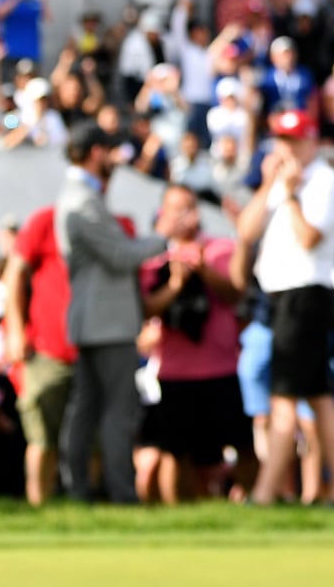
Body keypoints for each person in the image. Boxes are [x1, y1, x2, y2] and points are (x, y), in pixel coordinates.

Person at [239, 109, 334, 505]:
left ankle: (267, 492)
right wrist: (272, 183)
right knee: (317, 394)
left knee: (285, 397)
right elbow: (246, 231)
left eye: (293, 139)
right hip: (284, 296)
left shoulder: (322, 181)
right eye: (281, 139)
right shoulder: (283, 180)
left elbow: (309, 238)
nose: (286, 147)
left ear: (311, 141)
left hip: (304, 293)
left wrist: (287, 194)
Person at [57, 121, 167, 504]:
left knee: (87, 409)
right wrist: (164, 236)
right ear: (95, 153)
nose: (116, 159)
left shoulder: (84, 196)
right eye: (110, 151)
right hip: (106, 324)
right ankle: (121, 494)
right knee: (116, 411)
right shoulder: (82, 200)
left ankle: (81, 492)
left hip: (97, 322)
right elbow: (121, 256)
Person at [140, 183, 243, 505]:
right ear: (164, 214)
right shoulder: (152, 258)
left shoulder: (221, 248)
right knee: (175, 451)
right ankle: (178, 516)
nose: (185, 215)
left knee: (239, 444)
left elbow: (234, 293)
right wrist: (175, 284)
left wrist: (204, 270)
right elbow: (146, 309)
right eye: (177, 208)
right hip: (175, 370)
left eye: (189, 206)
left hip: (221, 365)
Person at [1, 203, 75, 506]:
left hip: (89, 351)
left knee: (89, 439)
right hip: (45, 351)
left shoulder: (105, 223)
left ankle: (86, 503)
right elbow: (14, 276)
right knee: (42, 437)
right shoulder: (46, 222)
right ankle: (38, 505)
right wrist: (16, 331)